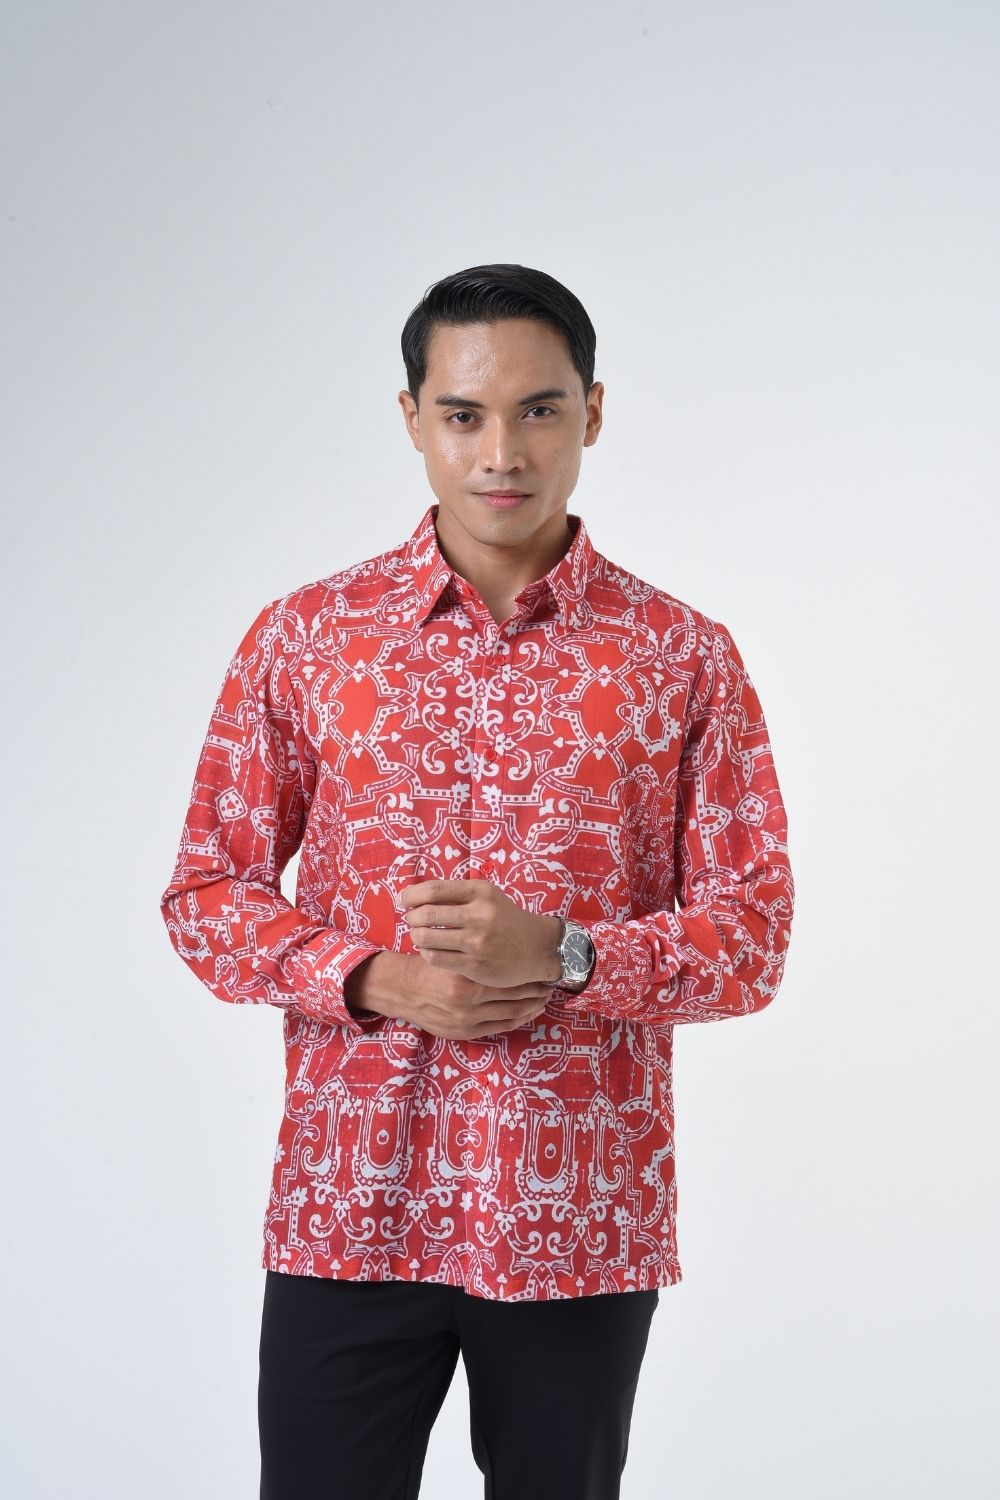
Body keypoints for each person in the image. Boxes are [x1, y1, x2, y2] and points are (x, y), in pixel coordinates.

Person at [159, 262, 795, 1499]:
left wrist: (566, 956)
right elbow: (205, 896)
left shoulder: (681, 658)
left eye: (538, 410)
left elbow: (753, 936)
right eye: (462, 414)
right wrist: (372, 978)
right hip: (351, 1207)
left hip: (577, 1223)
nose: (501, 453)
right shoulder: (307, 637)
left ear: (592, 412)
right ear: (413, 419)